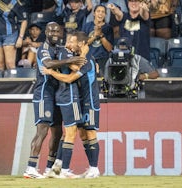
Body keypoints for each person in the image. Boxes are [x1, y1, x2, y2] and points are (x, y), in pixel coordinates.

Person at [23, 22, 86, 179]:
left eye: (57, 31)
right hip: (43, 93)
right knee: (42, 130)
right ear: (46, 32)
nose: (54, 33)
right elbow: (48, 64)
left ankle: (50, 169)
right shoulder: (42, 49)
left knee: (57, 133)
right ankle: (30, 168)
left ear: (61, 32)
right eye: (51, 30)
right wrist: (70, 62)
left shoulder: (59, 49)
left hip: (56, 94)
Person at [41, 31, 100, 179]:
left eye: (72, 42)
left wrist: (50, 72)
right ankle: (60, 166)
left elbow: (70, 77)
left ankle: (94, 168)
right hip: (80, 100)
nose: (70, 45)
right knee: (80, 133)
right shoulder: (79, 57)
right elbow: (74, 66)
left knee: (90, 132)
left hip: (90, 101)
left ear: (80, 44)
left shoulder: (88, 61)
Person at [0, 0, 28, 71]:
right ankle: (2, 81)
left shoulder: (16, 3)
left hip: (10, 35)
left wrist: (20, 37)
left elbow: (24, 21)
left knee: (10, 64)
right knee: (0, 64)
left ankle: (14, 82)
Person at [82, 4, 114, 76]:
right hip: (89, 59)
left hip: (103, 60)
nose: (100, 13)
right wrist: (94, 36)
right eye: (98, 11)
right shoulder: (87, 26)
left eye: (103, 12)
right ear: (94, 13)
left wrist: (101, 35)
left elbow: (109, 49)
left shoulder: (108, 28)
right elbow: (83, 44)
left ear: (105, 14)